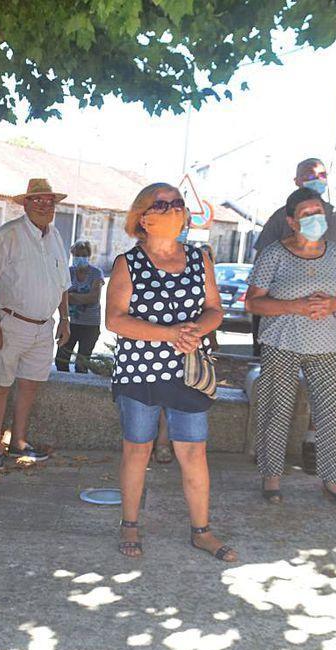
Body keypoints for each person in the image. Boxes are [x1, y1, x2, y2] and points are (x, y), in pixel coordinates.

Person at [106, 182, 236, 561]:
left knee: (194, 451)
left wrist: (198, 329)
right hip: (139, 372)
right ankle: (129, 524)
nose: (173, 209)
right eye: (162, 204)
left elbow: (215, 308)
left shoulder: (200, 259)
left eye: (178, 204)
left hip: (188, 372)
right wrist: (169, 334)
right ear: (142, 217)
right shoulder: (127, 264)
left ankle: (202, 531)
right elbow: (114, 320)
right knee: (137, 449)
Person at [246, 188, 336, 508]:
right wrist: (292, 306)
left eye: (319, 212)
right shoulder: (274, 254)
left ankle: (333, 482)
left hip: (327, 346)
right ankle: (271, 479)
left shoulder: (335, 253)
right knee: (275, 411)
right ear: (292, 221)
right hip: (281, 342)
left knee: (330, 415)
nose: (315, 219)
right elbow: (252, 302)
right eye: (307, 214)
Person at [0, 178, 71, 469]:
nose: (45, 206)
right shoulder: (8, 235)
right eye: (38, 200)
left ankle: (18, 441)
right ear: (26, 203)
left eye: (50, 201)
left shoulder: (56, 237)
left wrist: (65, 319)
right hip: (10, 323)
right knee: (0, 385)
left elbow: (63, 283)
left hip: (44, 326)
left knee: (31, 384)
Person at [55, 240, 105, 373]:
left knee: (82, 363)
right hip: (70, 323)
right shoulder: (68, 272)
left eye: (82, 255)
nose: (79, 258)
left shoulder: (96, 273)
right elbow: (60, 296)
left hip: (90, 325)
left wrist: (71, 296)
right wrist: (77, 298)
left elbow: (93, 298)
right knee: (61, 359)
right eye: (76, 255)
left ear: (88, 256)